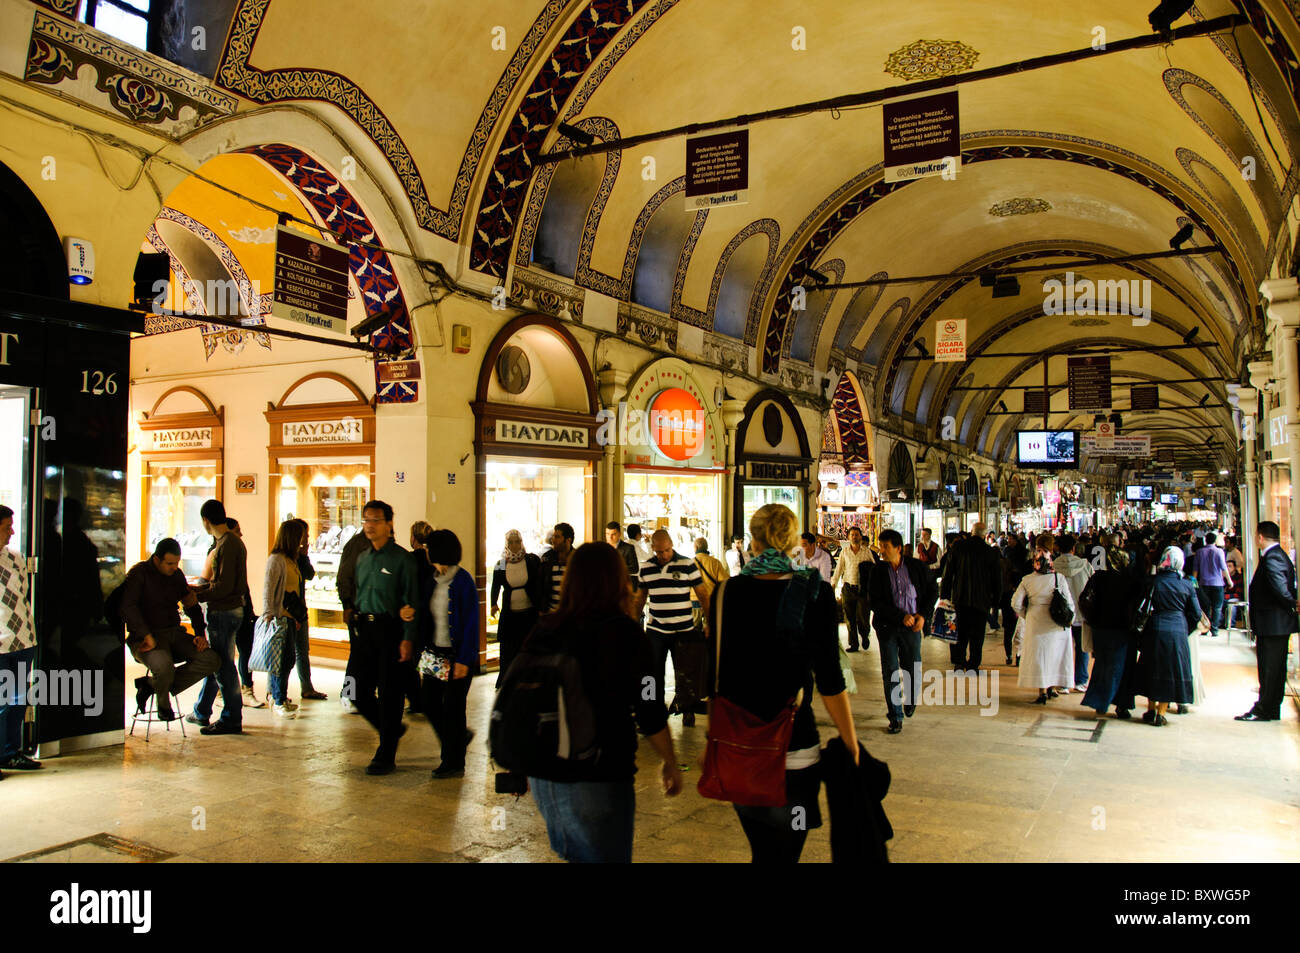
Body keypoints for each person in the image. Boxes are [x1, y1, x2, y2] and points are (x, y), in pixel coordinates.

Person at [709, 503, 858, 862]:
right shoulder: (816, 594)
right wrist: (850, 742)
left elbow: (719, 673)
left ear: (753, 543)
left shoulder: (726, 593)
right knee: (787, 851)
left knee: (762, 851)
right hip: (796, 752)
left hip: (740, 750)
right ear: (793, 541)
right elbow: (830, 680)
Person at [526, 542, 682, 862]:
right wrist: (669, 759)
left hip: (546, 774)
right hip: (599, 771)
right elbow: (649, 704)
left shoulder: (546, 629)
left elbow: (525, 697)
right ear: (618, 580)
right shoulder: (626, 634)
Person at [119, 538, 221, 726]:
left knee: (211, 659)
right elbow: (127, 607)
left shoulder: (176, 575)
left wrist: (200, 634)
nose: (174, 567)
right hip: (145, 638)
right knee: (164, 667)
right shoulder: (139, 574)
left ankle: (151, 685)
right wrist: (145, 634)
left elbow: (191, 605)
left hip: (174, 633)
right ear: (157, 560)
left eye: (176, 563)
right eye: (170, 563)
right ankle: (164, 706)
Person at [352, 500, 420, 774]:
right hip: (364, 629)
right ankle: (389, 727)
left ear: (389, 524)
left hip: (391, 630)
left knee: (391, 693)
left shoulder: (402, 560)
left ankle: (386, 752)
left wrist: (407, 638)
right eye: (366, 519)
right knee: (353, 688)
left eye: (375, 520)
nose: (369, 525)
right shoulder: (363, 558)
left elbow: (411, 601)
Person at [416, 529, 479, 779]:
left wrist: (465, 659)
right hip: (435, 654)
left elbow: (471, 624)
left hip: (457, 656)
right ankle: (457, 741)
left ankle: (453, 762)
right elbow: (425, 614)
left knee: (453, 709)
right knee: (429, 703)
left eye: (429, 547)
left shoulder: (463, 581)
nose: (426, 551)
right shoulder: (432, 579)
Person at [635, 529, 709, 721]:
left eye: (667, 550)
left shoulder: (687, 564)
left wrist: (709, 622)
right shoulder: (646, 568)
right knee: (651, 673)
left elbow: (702, 595)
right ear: (653, 549)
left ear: (672, 545)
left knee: (685, 672)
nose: (664, 555)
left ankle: (688, 709)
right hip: (656, 629)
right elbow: (640, 598)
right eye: (659, 552)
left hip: (683, 629)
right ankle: (651, 708)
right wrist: (634, 624)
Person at [868, 529, 937, 733]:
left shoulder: (916, 567)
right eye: (880, 546)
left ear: (898, 548)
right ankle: (895, 716)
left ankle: (911, 699)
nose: (881, 551)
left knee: (912, 667)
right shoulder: (878, 571)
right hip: (887, 627)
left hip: (912, 627)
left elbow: (933, 591)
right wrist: (900, 616)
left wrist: (922, 615)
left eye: (885, 547)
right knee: (890, 671)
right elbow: (875, 602)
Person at [189, 499, 246, 736]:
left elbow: (223, 586)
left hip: (224, 611)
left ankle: (231, 717)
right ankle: (207, 711)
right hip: (228, 610)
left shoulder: (226, 544)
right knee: (221, 664)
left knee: (223, 667)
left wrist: (198, 595)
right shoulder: (228, 542)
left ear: (205, 521)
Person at [1237, 521, 1297, 722]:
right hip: (1275, 624)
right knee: (1274, 670)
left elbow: (1280, 589)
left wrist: (1292, 603)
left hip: (1273, 624)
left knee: (1269, 669)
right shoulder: (1278, 555)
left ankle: (1264, 709)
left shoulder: (1273, 558)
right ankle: (1270, 708)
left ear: (1260, 537)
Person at [1136, 547, 1200, 726]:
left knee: (1152, 667)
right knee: (1171, 670)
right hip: (1177, 630)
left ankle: (1150, 708)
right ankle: (1161, 712)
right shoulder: (1187, 584)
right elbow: (1195, 613)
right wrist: (1185, 628)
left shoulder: (1153, 582)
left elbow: (1141, 605)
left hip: (1154, 628)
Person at [0, 506, 41, 774]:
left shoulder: (15, 557)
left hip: (23, 639)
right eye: (6, 527)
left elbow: (23, 595)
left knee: (16, 701)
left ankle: (10, 753)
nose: (13, 531)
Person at [1078, 546, 1139, 717]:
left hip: (1101, 629)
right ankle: (1121, 704)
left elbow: (1084, 599)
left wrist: (1093, 619)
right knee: (1123, 668)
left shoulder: (1099, 578)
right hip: (1123, 630)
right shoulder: (1132, 581)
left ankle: (1100, 701)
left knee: (1103, 665)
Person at [1013, 546, 1075, 705]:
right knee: (1055, 655)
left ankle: (1041, 692)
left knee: (1039, 657)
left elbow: (1016, 603)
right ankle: (1052, 688)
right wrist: (1070, 619)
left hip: (1036, 621)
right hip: (1056, 623)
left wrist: (1026, 614)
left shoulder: (1027, 580)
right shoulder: (1059, 579)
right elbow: (1068, 602)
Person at [939, 521, 1002, 672]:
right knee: (978, 634)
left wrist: (944, 596)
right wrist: (995, 600)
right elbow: (997, 579)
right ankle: (973, 664)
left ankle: (959, 663)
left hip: (960, 598)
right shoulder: (991, 552)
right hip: (982, 600)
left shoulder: (958, 548)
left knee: (960, 632)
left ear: (971, 532)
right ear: (985, 535)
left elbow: (948, 575)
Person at [260, 520, 307, 717]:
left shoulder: (292, 559)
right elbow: (269, 589)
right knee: (281, 660)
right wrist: (269, 614)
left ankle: (281, 697)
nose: (303, 541)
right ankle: (277, 698)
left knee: (288, 659)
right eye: (301, 537)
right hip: (279, 618)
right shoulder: (276, 560)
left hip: (290, 617)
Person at [490, 529, 543, 686]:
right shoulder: (501, 564)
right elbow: (496, 586)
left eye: (517, 542)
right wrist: (493, 604)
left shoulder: (530, 560)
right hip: (510, 614)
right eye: (511, 542)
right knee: (509, 647)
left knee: (528, 645)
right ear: (507, 544)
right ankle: (507, 678)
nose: (514, 545)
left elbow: (537, 583)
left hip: (529, 612)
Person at [336, 522, 373, 714]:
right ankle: (348, 693)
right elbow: (344, 577)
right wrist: (348, 605)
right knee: (357, 655)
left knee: (366, 656)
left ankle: (363, 692)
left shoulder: (381, 547)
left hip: (372, 613)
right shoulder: (357, 545)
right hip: (358, 611)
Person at [289, 518, 326, 700]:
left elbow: (309, 574)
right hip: (288, 611)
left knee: (302, 650)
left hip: (300, 609)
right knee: (286, 653)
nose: (308, 538)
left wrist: (304, 555)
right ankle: (276, 692)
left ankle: (307, 687)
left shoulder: (300, 557)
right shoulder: (283, 558)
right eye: (306, 535)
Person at [1053, 534, 1094, 691]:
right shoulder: (1085, 565)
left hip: (1061, 614)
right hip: (1081, 613)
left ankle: (1064, 683)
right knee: (1082, 647)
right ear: (1074, 548)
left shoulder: (1054, 565)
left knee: (1063, 648)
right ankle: (1081, 681)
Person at [831, 525, 875, 652]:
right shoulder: (845, 552)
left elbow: (874, 568)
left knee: (863, 617)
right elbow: (839, 569)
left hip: (862, 590)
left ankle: (864, 635)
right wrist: (833, 584)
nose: (854, 537)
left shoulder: (866, 551)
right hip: (848, 588)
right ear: (849, 537)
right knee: (849, 617)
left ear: (861, 536)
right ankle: (853, 644)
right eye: (852, 535)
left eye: (856, 534)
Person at [1189, 532, 1229, 638]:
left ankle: (1205, 629)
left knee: (1205, 607)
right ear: (1215, 540)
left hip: (1203, 583)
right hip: (1217, 583)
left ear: (1205, 540)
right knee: (1217, 607)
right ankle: (1215, 629)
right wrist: (1229, 581)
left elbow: (1195, 570)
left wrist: (1194, 584)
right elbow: (1224, 568)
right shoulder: (1220, 552)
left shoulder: (1199, 552)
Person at [1000, 535, 1030, 665]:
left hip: (1009, 597)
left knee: (1010, 629)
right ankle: (1016, 655)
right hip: (1013, 597)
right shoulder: (1012, 554)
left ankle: (1011, 655)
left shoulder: (1015, 555)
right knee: (1018, 629)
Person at [540, 523, 575, 612]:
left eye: (557, 537)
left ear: (568, 540)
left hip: (571, 613)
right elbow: (541, 585)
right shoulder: (547, 558)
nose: (553, 540)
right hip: (551, 612)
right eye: (553, 536)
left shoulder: (577, 558)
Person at [605, 522, 640, 595]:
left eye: (613, 534)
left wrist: (616, 569)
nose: (610, 537)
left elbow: (634, 568)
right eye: (607, 534)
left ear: (619, 534)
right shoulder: (602, 549)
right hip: (607, 588)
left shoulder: (628, 548)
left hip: (624, 587)